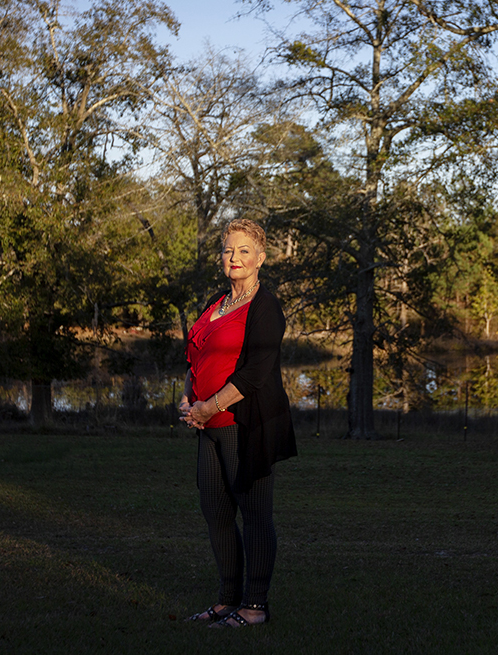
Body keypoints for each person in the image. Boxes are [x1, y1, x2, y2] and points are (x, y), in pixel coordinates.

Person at [179, 218, 297, 628]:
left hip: (244, 425)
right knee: (216, 511)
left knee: (255, 513)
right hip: (207, 425)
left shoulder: (265, 307)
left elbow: (254, 374)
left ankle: (255, 606)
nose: (235, 258)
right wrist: (190, 398)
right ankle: (228, 600)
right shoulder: (217, 301)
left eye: (244, 250)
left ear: (260, 258)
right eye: (229, 250)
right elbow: (197, 354)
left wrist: (209, 406)